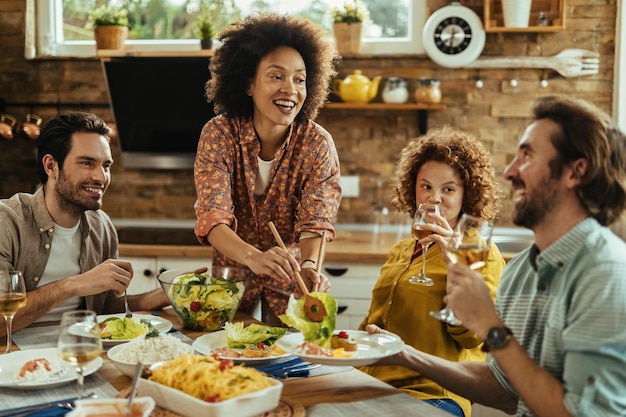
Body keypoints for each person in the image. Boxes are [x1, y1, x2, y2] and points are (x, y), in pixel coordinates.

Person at [366, 95, 626, 417]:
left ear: (576, 172)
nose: (510, 172)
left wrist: (488, 323)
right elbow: (506, 391)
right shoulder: (523, 271)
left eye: (527, 156)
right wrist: (404, 354)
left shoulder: (607, 271)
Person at [193, 14, 342, 326]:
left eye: (299, 79)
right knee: (228, 353)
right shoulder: (218, 135)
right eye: (276, 76)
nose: (290, 89)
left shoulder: (317, 145)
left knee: (287, 359)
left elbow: (315, 222)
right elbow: (213, 218)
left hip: (289, 275)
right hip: (232, 270)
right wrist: (253, 257)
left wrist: (310, 265)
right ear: (248, 83)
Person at [357, 126, 506, 417]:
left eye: (448, 189)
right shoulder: (402, 250)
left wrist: (455, 265)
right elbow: (374, 323)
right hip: (371, 384)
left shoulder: (478, 252)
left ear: (468, 194)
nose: (434, 198)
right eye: (426, 186)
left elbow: (472, 337)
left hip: (434, 393)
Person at [0, 112, 170, 337]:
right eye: (87, 163)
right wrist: (72, 285)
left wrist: (161, 296)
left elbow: (105, 307)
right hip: (15, 359)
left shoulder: (102, 226)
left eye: (106, 165)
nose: (101, 177)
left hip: (83, 351)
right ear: (51, 166)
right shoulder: (8, 221)